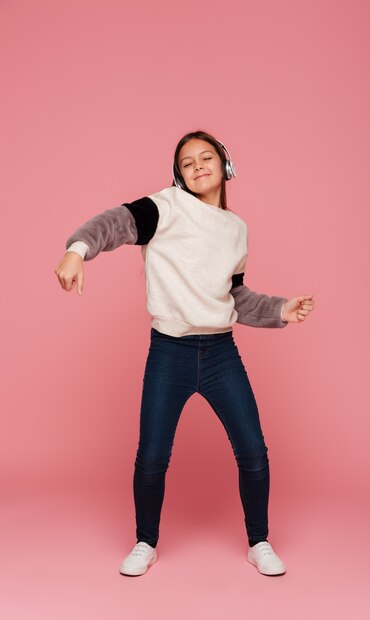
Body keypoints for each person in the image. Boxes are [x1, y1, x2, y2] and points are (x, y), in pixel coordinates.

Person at [54, 130, 315, 577]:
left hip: (221, 354)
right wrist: (77, 250)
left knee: (253, 450)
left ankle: (259, 541)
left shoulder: (236, 229)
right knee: (152, 455)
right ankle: (145, 541)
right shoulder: (165, 208)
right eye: (186, 161)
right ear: (178, 174)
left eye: (205, 157)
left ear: (224, 165)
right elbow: (112, 224)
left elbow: (235, 297)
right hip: (169, 353)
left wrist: (279, 310)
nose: (196, 165)